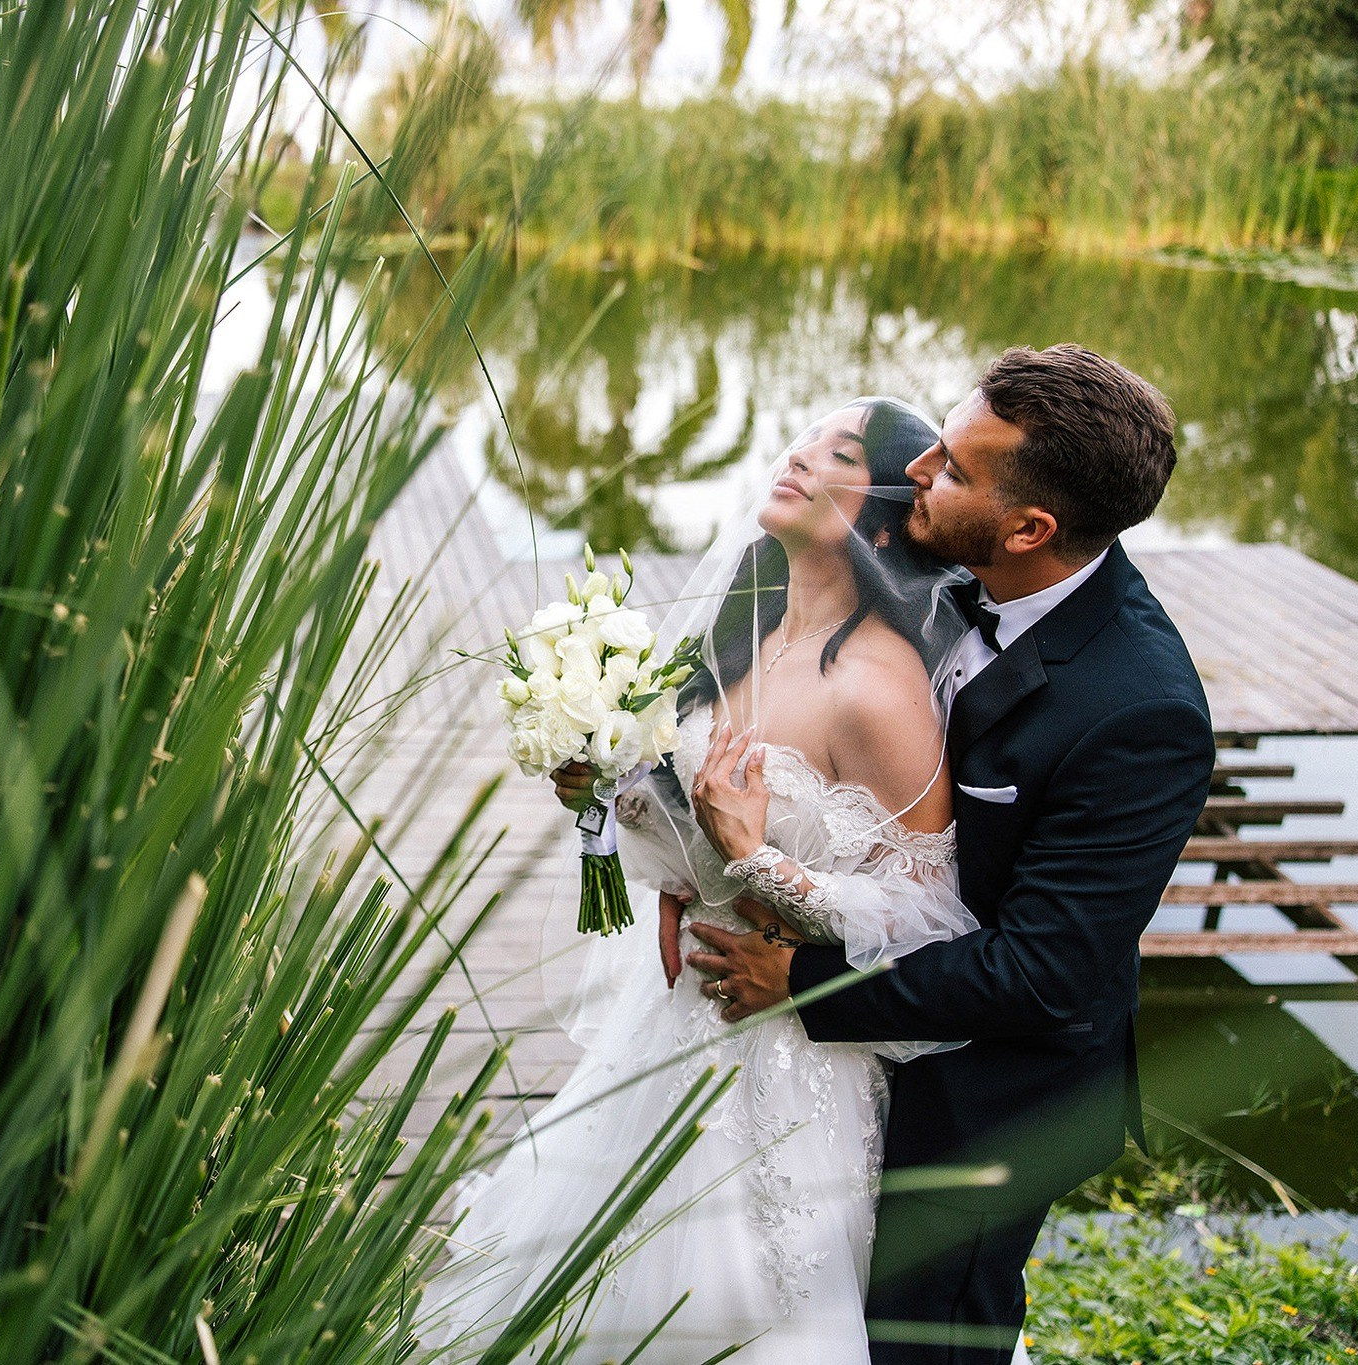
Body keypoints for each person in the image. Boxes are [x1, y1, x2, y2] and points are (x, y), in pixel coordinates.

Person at [415, 397, 981, 1362]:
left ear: (886, 515)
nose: (797, 456)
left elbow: (929, 914)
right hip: (672, 1013)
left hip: (786, 1047)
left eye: (837, 453)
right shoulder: (743, 639)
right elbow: (688, 831)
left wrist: (761, 862)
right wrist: (609, 789)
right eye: (802, 438)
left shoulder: (878, 685)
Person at [684, 345, 1214, 1365]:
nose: (917, 471)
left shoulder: (1138, 712)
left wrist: (799, 981)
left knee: (920, 1342)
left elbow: (1042, 971)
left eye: (954, 470)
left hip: (994, 1091)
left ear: (1028, 529)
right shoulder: (935, 574)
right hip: (862, 1033)